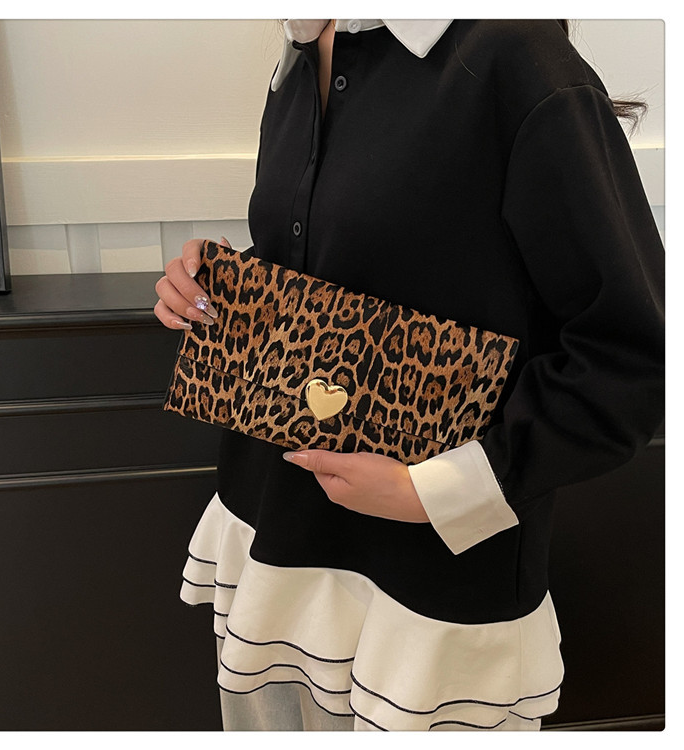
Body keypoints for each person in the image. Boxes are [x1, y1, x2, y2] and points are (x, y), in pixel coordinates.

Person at [153, 19, 664, 731]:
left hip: (427, 596)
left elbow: (634, 359)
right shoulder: (302, 48)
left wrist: (438, 492)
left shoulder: (515, 58)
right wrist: (215, 287)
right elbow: (369, 263)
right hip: (272, 541)